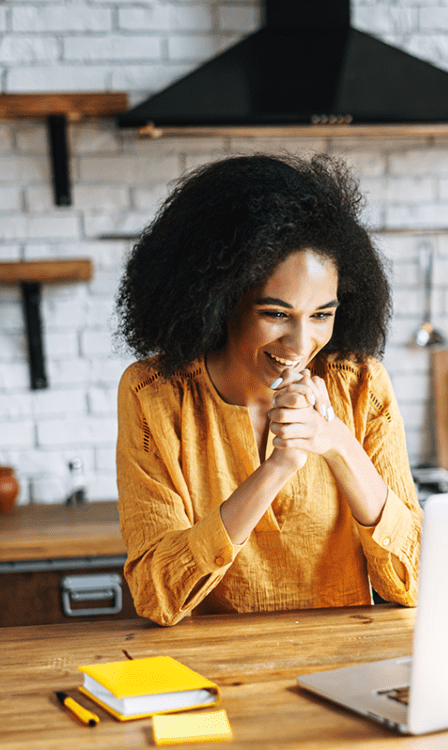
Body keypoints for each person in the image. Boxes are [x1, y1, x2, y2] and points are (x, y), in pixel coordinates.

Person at [114, 153, 421, 627]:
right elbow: (159, 596)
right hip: (216, 677)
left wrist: (338, 443)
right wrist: (277, 467)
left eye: (321, 315)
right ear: (217, 302)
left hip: (342, 671)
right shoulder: (155, 394)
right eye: (276, 314)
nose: (301, 344)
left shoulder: (360, 384)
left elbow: (414, 579)